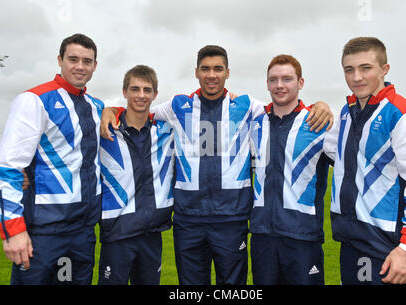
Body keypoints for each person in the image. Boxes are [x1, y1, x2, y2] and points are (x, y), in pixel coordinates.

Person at [100, 45, 333, 285]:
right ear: (197, 72)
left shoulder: (245, 106)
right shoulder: (179, 106)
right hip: (188, 221)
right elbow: (140, 111)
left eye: (218, 69)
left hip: (231, 220)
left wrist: (319, 106)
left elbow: (283, 107)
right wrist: (112, 110)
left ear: (227, 73)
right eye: (206, 69)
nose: (212, 75)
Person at [0, 33, 104, 285]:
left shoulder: (95, 106)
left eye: (87, 61)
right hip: (43, 233)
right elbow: (8, 169)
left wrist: (115, 111)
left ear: (95, 66)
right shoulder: (34, 100)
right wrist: (13, 230)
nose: (80, 66)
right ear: (60, 60)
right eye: (73, 59)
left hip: (83, 233)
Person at [327, 37, 406, 285]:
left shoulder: (405, 115)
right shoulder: (348, 112)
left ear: (384, 69)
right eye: (349, 69)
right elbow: (327, 150)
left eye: (365, 68)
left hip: (390, 252)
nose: (356, 77)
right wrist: (320, 107)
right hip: (352, 245)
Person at [249, 54, 331, 285]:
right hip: (262, 236)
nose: (279, 85)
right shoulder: (255, 123)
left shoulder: (318, 123)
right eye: (273, 80)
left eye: (287, 79)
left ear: (300, 83)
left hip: (302, 237)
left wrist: (322, 105)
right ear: (267, 84)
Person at [98, 65, 174, 285]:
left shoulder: (167, 130)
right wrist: (108, 110)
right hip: (117, 234)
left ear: (155, 95)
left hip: (152, 233)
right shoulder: (104, 129)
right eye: (135, 89)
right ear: (125, 93)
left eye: (147, 90)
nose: (141, 95)